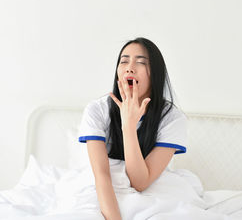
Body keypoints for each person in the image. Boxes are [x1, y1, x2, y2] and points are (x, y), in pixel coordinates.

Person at [78, 37, 187, 220]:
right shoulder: (97, 110)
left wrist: (128, 125)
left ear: (156, 73)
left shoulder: (172, 118)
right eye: (124, 61)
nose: (129, 67)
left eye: (141, 62)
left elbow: (139, 182)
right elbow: (102, 175)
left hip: (151, 184)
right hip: (103, 187)